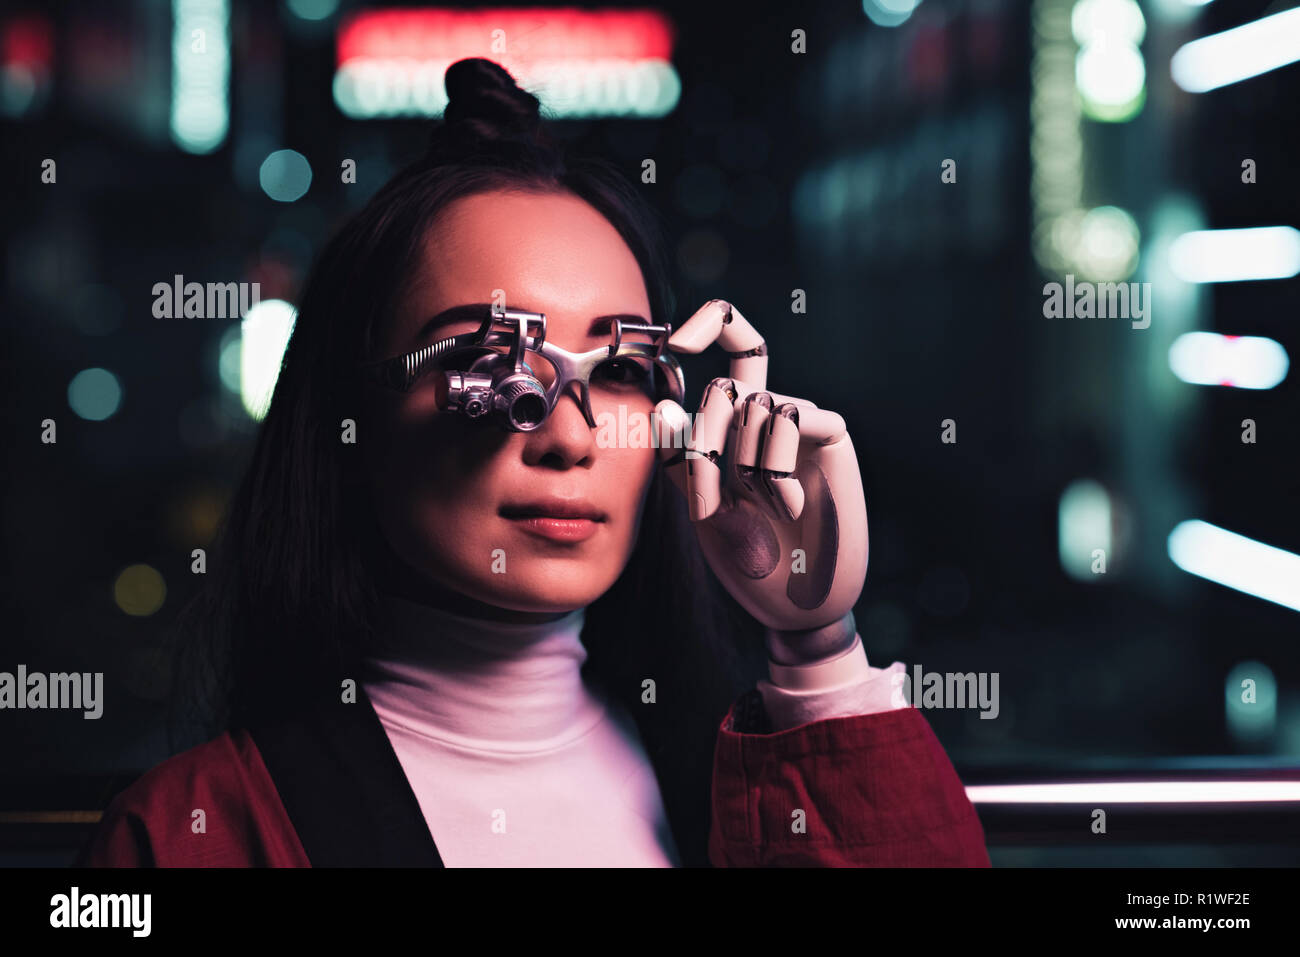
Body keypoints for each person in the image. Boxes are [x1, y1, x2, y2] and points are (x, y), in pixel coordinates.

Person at [78, 58, 989, 868]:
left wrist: (819, 654)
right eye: (493, 367)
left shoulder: (732, 778)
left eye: (626, 370)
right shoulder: (193, 831)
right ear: (350, 416)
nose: (570, 435)